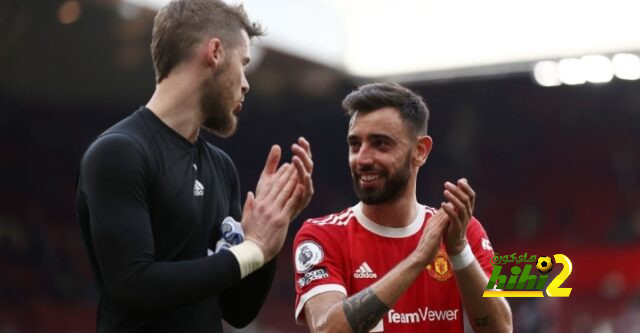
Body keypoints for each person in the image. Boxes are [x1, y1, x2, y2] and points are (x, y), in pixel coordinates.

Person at [75, 0, 314, 332]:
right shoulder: (119, 152)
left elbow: (238, 310)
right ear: (215, 51)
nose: (246, 83)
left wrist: (272, 227)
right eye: (243, 63)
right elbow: (134, 282)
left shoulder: (221, 167)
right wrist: (253, 250)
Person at [292, 83, 511, 332]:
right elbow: (326, 329)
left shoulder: (462, 232)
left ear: (420, 151)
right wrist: (417, 259)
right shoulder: (322, 236)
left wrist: (459, 251)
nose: (362, 159)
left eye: (381, 144)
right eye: (355, 145)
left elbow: (501, 329)